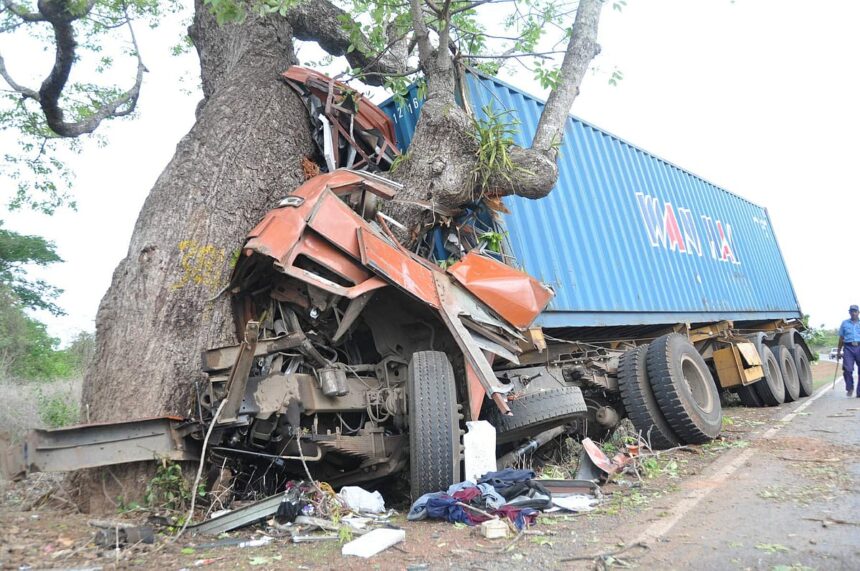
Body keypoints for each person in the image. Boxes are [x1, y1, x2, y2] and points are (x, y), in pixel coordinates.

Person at [837, 304, 860, 397]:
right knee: (847, 370)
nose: (853, 313)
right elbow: (841, 338)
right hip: (848, 348)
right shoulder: (844, 323)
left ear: (858, 312)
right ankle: (850, 388)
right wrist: (838, 351)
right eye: (852, 311)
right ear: (849, 313)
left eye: (855, 311)